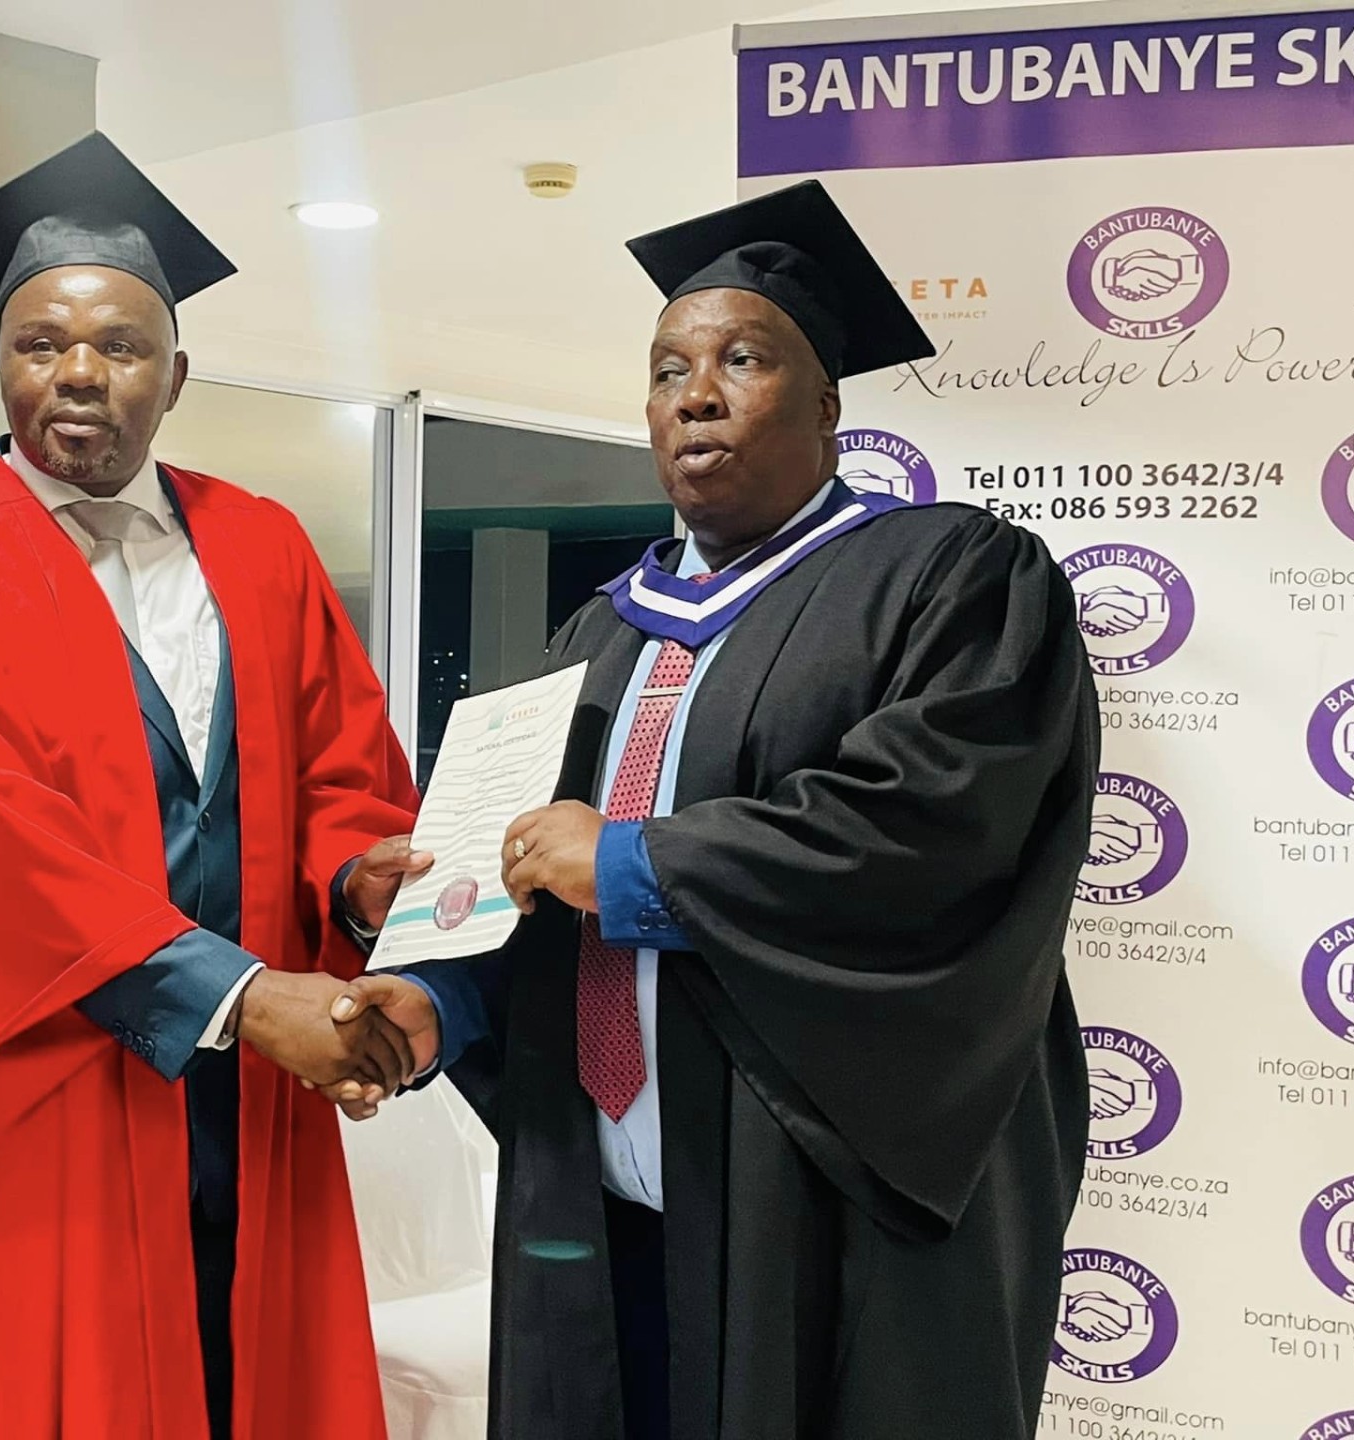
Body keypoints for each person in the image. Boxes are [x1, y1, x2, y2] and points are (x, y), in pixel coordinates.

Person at [326, 180, 1099, 1440]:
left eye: (743, 359)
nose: (695, 394)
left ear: (828, 404)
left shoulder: (952, 577)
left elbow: (933, 831)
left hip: (822, 1182)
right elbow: (528, 883)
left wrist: (637, 863)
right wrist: (436, 1001)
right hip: (600, 1188)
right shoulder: (597, 633)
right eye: (667, 370)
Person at [0, 133, 424, 1440]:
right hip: (37, 1092)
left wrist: (362, 884)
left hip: (248, 1106)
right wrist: (239, 998)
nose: (78, 372)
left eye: (121, 345)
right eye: (40, 342)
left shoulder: (263, 545)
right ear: (1, 364)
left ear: (175, 374)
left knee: (245, 1382)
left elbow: (342, 771)